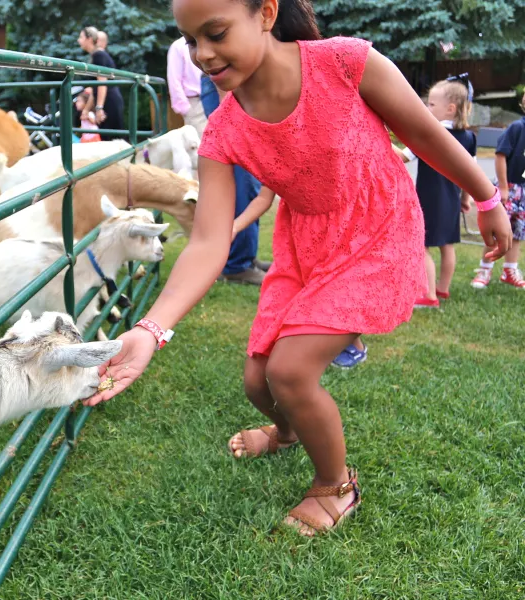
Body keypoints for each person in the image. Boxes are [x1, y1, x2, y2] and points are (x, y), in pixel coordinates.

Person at [85, 0, 511, 536]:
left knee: (290, 371)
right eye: (190, 40)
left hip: (376, 228)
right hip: (305, 244)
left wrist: (488, 198)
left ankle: (336, 484)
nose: (203, 55)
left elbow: (425, 134)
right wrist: (150, 330)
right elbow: (209, 241)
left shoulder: (346, 62)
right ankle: (286, 434)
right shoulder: (224, 131)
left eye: (215, 33)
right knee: (258, 382)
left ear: (265, 13)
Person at [395, 77, 476, 307]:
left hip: (429, 199)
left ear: (450, 108)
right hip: (452, 200)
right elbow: (472, 172)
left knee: (422, 246)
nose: (426, 108)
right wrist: (466, 199)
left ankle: (428, 295)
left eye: (431, 104)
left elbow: (403, 156)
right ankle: (442, 289)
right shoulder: (469, 137)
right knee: (447, 246)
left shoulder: (430, 133)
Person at [201, 72, 269, 285]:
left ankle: (245, 257)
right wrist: (227, 99)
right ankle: (237, 265)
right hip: (229, 90)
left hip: (233, 88)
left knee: (248, 181)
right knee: (244, 180)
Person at [470, 93, 525, 290]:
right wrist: (503, 186)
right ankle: (485, 269)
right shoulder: (517, 128)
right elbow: (501, 155)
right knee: (498, 231)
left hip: (524, 191)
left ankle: (510, 270)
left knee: (518, 232)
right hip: (509, 188)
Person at [78, 26, 125, 140]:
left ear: (89, 39)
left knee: (112, 140)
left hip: (109, 101)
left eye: (81, 37)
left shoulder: (99, 55)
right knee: (109, 139)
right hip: (108, 100)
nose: (79, 40)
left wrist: (99, 108)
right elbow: (96, 88)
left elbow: (102, 83)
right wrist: (87, 109)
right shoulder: (96, 55)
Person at [167, 36, 209, 139]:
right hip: (195, 104)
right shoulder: (178, 46)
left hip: (215, 98)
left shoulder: (208, 41)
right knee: (199, 146)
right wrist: (185, 108)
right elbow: (174, 79)